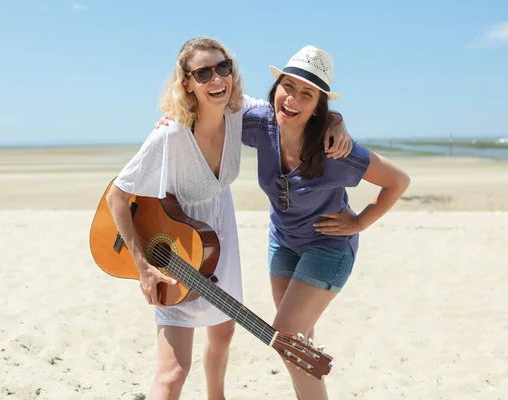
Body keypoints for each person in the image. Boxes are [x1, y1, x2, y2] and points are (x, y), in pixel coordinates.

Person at [106, 38, 351, 400]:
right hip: (175, 248)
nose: (216, 79)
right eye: (202, 73)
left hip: (221, 239)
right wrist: (142, 266)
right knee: (173, 373)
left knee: (222, 337)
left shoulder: (239, 114)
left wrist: (335, 118)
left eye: (223, 68)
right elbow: (117, 196)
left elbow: (293, 109)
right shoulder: (170, 136)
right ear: (187, 82)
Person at [241, 45, 411, 400]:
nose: (292, 99)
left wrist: (360, 222)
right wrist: (172, 121)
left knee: (286, 334)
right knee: (300, 341)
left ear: (319, 106)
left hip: (328, 246)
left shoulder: (336, 151)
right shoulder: (260, 124)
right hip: (283, 241)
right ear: (276, 89)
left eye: (307, 94)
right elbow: (215, 112)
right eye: (288, 86)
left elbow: (398, 181)